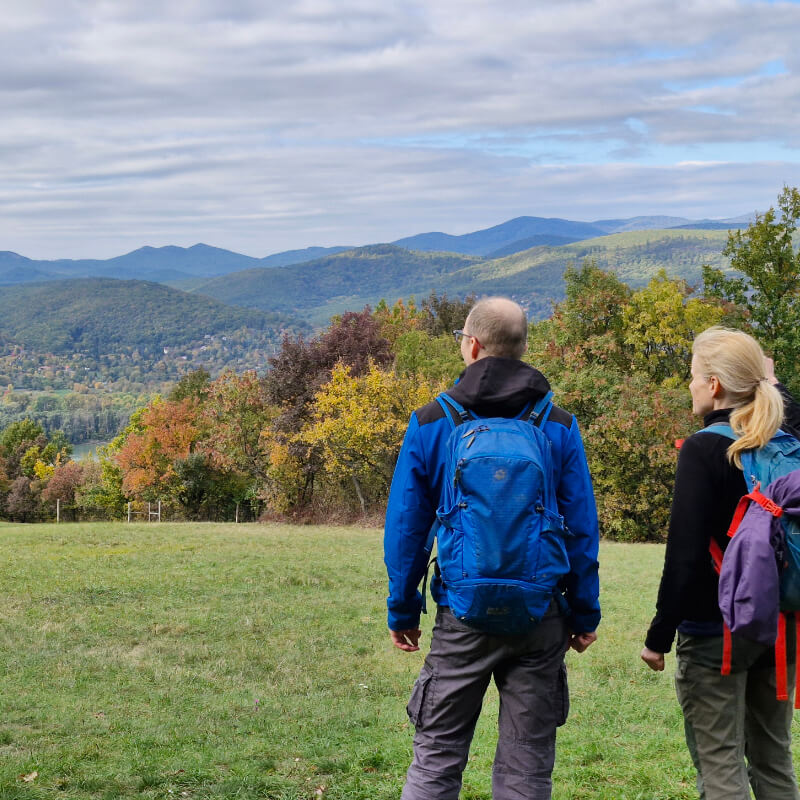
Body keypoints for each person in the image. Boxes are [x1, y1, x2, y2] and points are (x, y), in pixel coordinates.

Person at [384, 296, 600, 800]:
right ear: (522, 348)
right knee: (526, 769)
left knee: (436, 758)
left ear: (473, 345)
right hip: (541, 614)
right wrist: (584, 612)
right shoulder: (558, 424)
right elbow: (581, 529)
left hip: (462, 612)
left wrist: (403, 609)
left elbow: (407, 529)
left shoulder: (432, 421)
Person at [641, 326, 800, 800]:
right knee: (774, 760)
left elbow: (685, 554)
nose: (689, 385)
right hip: (781, 627)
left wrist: (658, 637)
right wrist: (769, 381)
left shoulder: (705, 447)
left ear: (713, 385)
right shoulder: (787, 443)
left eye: (693, 376)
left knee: (720, 764)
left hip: (717, 631)